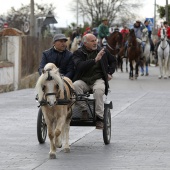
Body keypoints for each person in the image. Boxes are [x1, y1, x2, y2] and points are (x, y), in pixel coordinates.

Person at [72, 33, 116, 129]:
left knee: (99, 90)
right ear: (85, 43)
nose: (95, 42)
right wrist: (95, 60)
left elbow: (113, 60)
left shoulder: (102, 51)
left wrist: (110, 72)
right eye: (92, 41)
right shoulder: (78, 53)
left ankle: (99, 118)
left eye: (95, 40)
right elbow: (79, 66)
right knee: (75, 85)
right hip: (84, 80)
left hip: (98, 79)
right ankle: (84, 110)